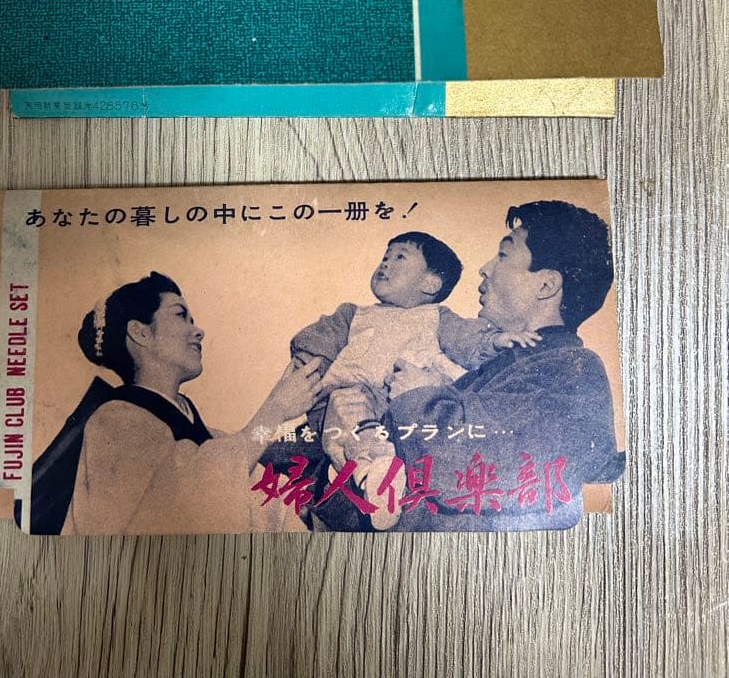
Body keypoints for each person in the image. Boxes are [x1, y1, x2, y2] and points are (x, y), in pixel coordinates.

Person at [380, 201, 625, 531]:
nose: (485, 268)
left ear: (546, 285)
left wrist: (417, 396)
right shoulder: (501, 366)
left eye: (504, 255)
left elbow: (467, 468)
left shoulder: (571, 370)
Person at [30, 271, 323, 535]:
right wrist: (275, 409)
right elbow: (177, 505)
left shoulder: (208, 434)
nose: (198, 331)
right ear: (140, 333)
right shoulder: (113, 421)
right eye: (181, 315)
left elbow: (260, 493)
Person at [289, 231, 540, 529]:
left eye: (400, 257)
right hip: (349, 399)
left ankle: (380, 483)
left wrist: (496, 341)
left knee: (387, 452)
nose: (386, 263)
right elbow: (315, 341)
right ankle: (374, 480)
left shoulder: (436, 316)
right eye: (385, 257)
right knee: (342, 430)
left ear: (430, 284)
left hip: (401, 407)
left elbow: (468, 339)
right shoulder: (353, 314)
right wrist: (307, 364)